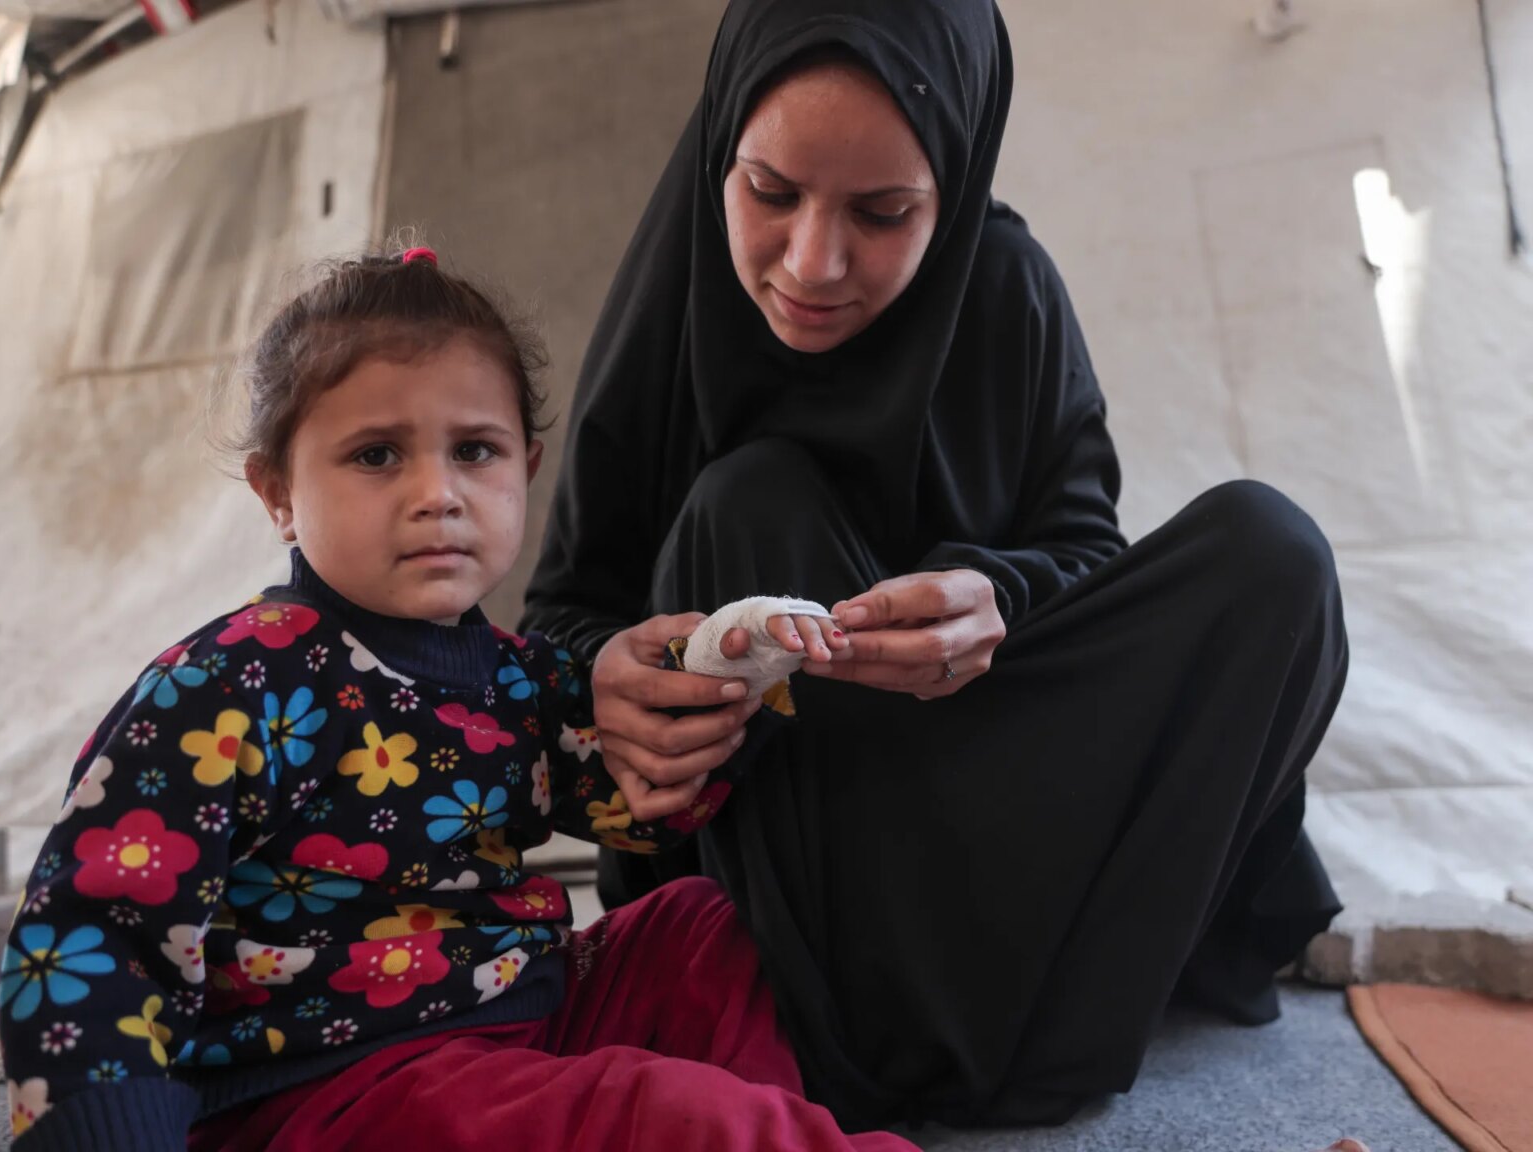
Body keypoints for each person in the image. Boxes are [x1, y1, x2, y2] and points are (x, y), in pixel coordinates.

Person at [521, 0, 1351, 1134]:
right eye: (769, 192)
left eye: (883, 212)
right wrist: (617, 681)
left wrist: (995, 598)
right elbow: (563, 617)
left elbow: (1084, 556)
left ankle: (1015, 1010)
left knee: (1272, 554)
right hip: (799, 858)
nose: (812, 263)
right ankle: (890, 1028)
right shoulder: (678, 298)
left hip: (996, 803)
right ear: (722, 151)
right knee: (749, 503)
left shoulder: (1007, 286)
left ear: (953, 189)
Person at [0, 246, 915, 1152]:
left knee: (695, 929)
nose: (437, 494)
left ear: (527, 466)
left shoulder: (518, 675)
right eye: (376, 455)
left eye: (475, 451)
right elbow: (93, 937)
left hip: (520, 1016)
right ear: (278, 494)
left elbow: (640, 799)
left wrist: (723, 665)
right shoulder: (229, 683)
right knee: (659, 1112)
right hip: (333, 1086)